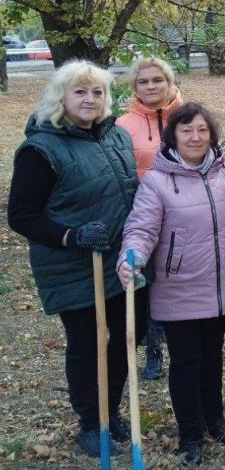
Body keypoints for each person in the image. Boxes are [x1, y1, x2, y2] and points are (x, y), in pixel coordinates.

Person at [6, 60, 146, 458]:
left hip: (120, 259)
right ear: (61, 97)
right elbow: (22, 215)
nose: (89, 99)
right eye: (80, 92)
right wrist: (71, 236)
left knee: (124, 338)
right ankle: (90, 422)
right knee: (87, 344)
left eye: (97, 92)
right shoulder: (40, 149)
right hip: (75, 267)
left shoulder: (114, 135)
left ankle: (112, 411)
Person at [118, 102, 225, 467]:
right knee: (186, 362)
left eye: (203, 130)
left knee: (213, 358)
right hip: (178, 288)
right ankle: (190, 433)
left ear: (212, 135)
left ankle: (215, 420)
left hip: (219, 287)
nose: (195, 137)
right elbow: (141, 228)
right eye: (187, 130)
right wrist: (131, 259)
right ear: (173, 134)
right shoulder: (158, 181)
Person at [117, 56, 185, 381]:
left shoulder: (188, 117)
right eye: (143, 82)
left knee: (177, 279)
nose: (151, 86)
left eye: (157, 80)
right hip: (143, 213)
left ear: (169, 82)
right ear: (135, 87)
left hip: (185, 212)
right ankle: (154, 351)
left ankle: (182, 342)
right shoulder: (122, 125)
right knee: (147, 283)